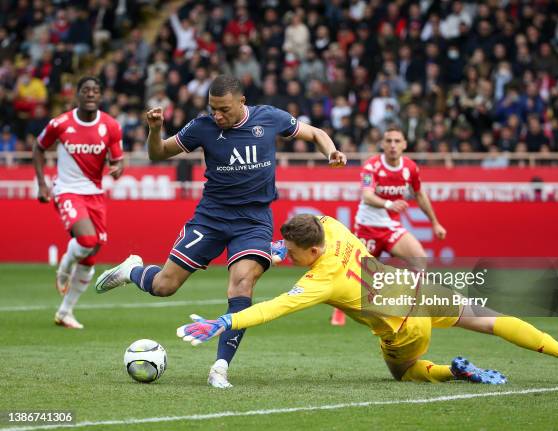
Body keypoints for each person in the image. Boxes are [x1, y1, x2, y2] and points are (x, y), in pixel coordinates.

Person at [95, 75, 347, 388]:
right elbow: (158, 153)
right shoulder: (203, 126)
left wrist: (331, 151)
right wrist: (155, 130)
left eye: (224, 109)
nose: (218, 115)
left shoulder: (269, 117)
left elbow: (315, 133)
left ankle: (219, 367)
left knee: (241, 286)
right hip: (210, 218)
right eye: (213, 109)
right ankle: (133, 270)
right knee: (164, 286)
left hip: (253, 221)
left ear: (242, 103)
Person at [177, 214, 558, 385]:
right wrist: (275, 247)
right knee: (491, 319)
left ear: (310, 252)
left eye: (292, 252)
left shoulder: (320, 281)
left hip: (403, 329)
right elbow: (305, 229)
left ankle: (452, 372)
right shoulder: (331, 225)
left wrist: (224, 322)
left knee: (401, 372)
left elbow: (272, 308)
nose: (288, 255)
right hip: (419, 292)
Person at [33, 76, 124, 329]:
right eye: (86, 90)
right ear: (78, 94)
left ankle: (65, 312)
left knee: (91, 255)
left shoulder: (111, 126)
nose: (91, 94)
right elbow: (38, 147)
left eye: (96, 90)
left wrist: (118, 169)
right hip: (67, 191)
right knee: (86, 241)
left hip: (94, 195)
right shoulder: (60, 123)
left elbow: (118, 161)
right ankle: (64, 265)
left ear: (101, 95)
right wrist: (42, 184)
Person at [331, 126, 446, 326]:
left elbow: (420, 194)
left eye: (397, 141)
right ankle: (339, 310)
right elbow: (367, 195)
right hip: (367, 227)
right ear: (383, 144)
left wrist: (435, 223)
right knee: (354, 274)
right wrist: (388, 204)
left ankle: (412, 308)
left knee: (419, 260)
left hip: (391, 228)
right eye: (389, 141)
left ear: (404, 145)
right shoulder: (371, 166)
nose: (393, 145)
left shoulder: (410, 168)